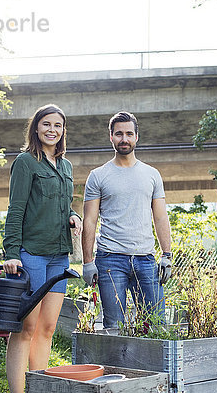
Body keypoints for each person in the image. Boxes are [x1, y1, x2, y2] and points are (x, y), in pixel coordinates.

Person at [2, 104, 82, 393]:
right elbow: (16, 209)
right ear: (36, 128)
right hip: (31, 254)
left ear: (63, 131)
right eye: (47, 124)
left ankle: (38, 386)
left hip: (58, 257)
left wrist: (73, 215)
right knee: (26, 329)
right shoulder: (25, 162)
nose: (52, 130)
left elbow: (61, 205)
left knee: (47, 328)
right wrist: (12, 252)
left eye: (58, 125)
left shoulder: (66, 166)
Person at [81, 111, 172, 329]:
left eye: (129, 134)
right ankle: (115, 365)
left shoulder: (152, 174)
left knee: (156, 325)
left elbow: (160, 217)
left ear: (136, 137)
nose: (124, 139)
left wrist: (167, 255)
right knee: (114, 325)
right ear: (111, 137)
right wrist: (87, 262)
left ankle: (151, 365)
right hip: (110, 260)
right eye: (119, 134)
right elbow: (90, 221)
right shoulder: (98, 175)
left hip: (146, 260)